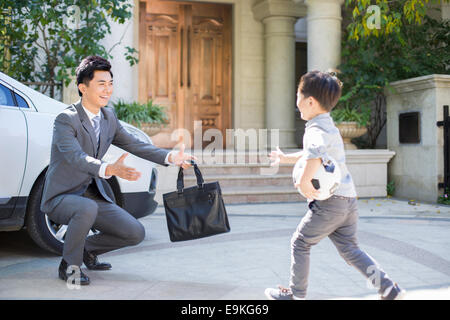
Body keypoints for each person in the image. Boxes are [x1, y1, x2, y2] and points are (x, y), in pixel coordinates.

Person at [40, 56, 195, 285]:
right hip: (61, 197)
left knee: (134, 232)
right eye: (101, 83)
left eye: (110, 83)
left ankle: (87, 250)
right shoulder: (66, 120)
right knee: (86, 208)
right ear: (83, 88)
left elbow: (134, 144)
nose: (108, 89)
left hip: (90, 195)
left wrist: (170, 156)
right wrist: (107, 168)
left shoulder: (108, 117)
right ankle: (69, 266)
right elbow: (75, 157)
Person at [265, 70, 405, 300]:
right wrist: (285, 158)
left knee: (300, 243)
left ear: (309, 101)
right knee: (351, 249)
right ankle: (388, 288)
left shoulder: (314, 129)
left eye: (298, 96)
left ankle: (295, 295)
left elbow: (315, 153)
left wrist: (304, 181)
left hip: (330, 204)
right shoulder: (327, 124)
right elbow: (314, 151)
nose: (296, 102)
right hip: (348, 200)